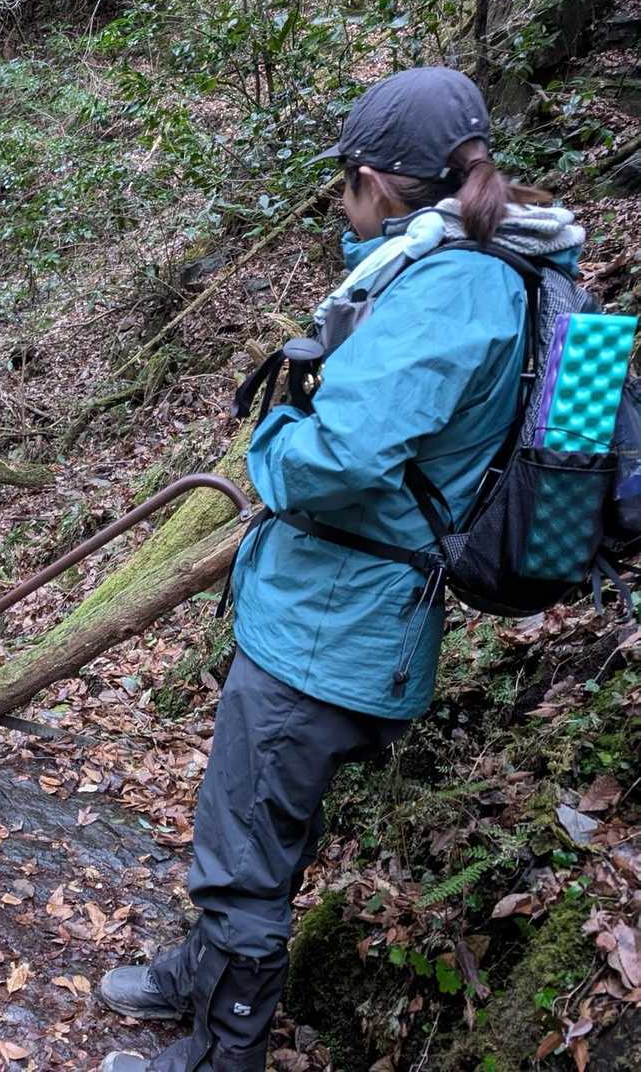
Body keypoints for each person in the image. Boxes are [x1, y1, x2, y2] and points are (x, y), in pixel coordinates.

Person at [97, 68, 586, 1071]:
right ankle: (198, 975)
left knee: (245, 851)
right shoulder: (496, 262)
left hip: (333, 627)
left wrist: (272, 437)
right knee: (255, 826)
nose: (340, 204)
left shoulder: (453, 286)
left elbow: (339, 460)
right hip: (354, 617)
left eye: (343, 185)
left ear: (370, 180)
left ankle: (220, 1055)